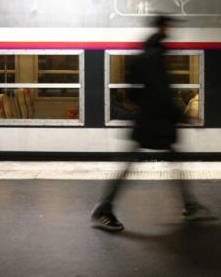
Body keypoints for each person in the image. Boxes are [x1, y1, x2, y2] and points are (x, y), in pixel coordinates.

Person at [91, 15, 213, 232]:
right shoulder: (156, 56)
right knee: (139, 162)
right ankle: (104, 208)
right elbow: (161, 91)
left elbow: (132, 91)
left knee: (156, 160)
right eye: (168, 26)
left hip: (149, 119)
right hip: (156, 121)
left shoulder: (143, 54)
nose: (170, 30)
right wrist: (181, 115)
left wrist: (145, 108)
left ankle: (190, 204)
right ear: (161, 27)